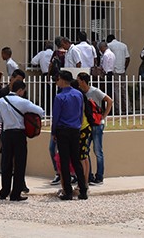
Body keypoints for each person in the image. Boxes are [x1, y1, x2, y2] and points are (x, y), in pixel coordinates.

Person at [0, 79, 45, 201]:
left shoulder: (1, 101)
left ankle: (4, 191)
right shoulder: (23, 102)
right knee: (19, 163)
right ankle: (16, 193)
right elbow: (41, 112)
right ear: (20, 90)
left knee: (6, 163)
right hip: (19, 134)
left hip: (6, 133)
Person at [52, 70, 88, 201]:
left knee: (65, 161)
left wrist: (53, 132)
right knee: (76, 160)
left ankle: (67, 191)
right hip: (75, 129)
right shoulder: (78, 94)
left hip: (63, 129)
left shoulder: (60, 97)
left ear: (62, 79)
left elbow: (56, 116)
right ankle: (83, 190)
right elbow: (80, 112)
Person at [77, 72, 111, 185]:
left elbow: (109, 100)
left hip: (97, 124)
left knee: (98, 151)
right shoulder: (81, 93)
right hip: (88, 125)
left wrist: (103, 116)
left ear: (83, 81)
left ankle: (99, 177)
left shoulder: (95, 91)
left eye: (78, 80)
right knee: (85, 150)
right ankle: (89, 175)